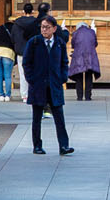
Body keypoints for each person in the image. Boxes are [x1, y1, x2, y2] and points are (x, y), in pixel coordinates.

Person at [22, 14, 74, 156]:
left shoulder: (59, 43)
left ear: (54, 28)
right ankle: (37, 145)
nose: (44, 30)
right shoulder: (34, 42)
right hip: (38, 84)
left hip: (54, 84)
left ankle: (64, 145)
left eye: (47, 27)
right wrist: (31, 79)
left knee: (59, 117)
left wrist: (62, 77)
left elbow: (64, 62)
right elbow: (26, 63)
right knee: (37, 118)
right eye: (42, 27)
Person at [68, 21, 100, 101]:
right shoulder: (92, 32)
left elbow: (73, 44)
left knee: (79, 76)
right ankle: (88, 96)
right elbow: (95, 43)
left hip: (79, 56)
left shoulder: (75, 33)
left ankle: (79, 96)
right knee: (89, 75)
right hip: (90, 56)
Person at [0, 17, 20, 101]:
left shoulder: (0, 28)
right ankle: (7, 95)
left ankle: (1, 95)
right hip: (7, 52)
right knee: (7, 75)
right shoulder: (14, 30)